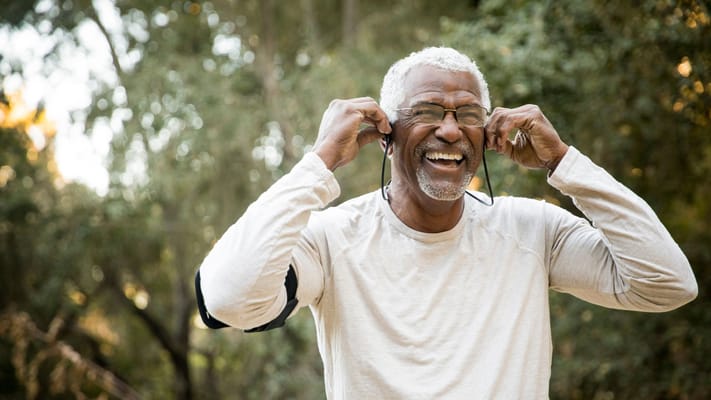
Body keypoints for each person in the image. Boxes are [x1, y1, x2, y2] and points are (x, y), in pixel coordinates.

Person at [194, 47, 698, 399]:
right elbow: (228, 299)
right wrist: (319, 161)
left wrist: (564, 163)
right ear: (386, 135)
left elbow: (668, 284)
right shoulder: (331, 240)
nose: (451, 130)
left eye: (468, 114)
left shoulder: (533, 231)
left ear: (487, 134)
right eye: (428, 111)